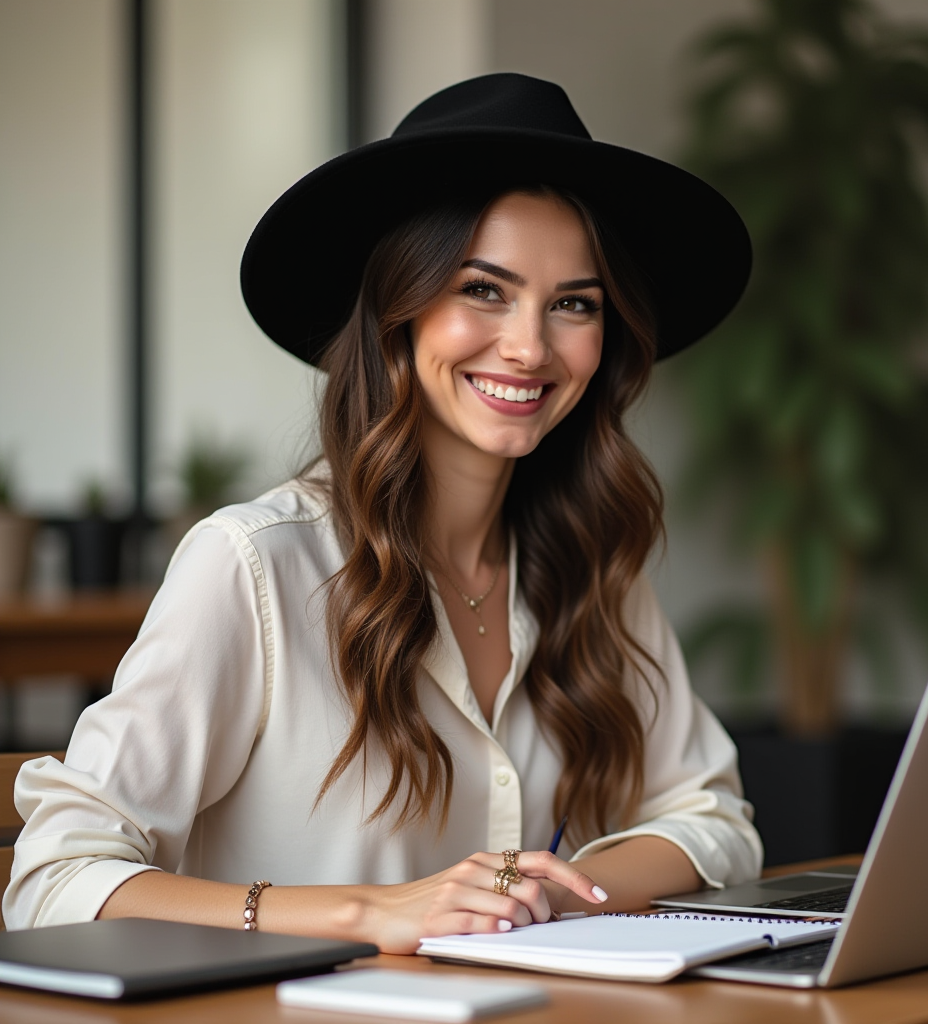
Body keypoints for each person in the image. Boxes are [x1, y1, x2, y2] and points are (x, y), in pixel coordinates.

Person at [5, 74, 761, 951]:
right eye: (484, 289)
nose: (528, 344)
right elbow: (54, 878)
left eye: (575, 304)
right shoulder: (254, 566)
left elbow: (716, 822)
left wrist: (545, 895)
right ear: (397, 311)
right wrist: (370, 914)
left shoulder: (591, 569)